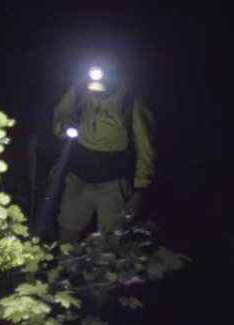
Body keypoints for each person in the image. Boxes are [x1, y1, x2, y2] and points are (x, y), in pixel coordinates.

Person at [53, 65, 156, 243]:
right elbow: (59, 119)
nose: (96, 92)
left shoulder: (130, 102)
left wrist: (140, 191)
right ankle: (67, 269)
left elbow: (146, 150)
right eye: (92, 88)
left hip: (113, 182)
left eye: (101, 89)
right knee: (68, 232)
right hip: (78, 177)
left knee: (111, 241)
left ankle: (104, 270)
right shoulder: (78, 91)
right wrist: (66, 127)